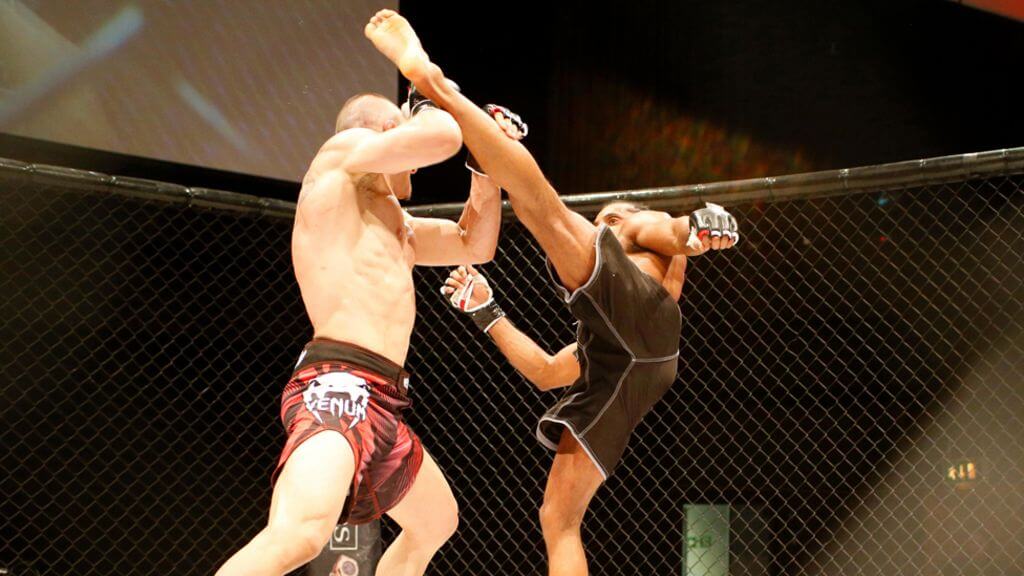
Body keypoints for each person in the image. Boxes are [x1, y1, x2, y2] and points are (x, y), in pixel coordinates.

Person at [365, 10, 739, 575]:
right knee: (558, 518)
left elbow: (674, 231)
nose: (597, 228)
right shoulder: (603, 335)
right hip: (633, 365)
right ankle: (476, 138)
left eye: (604, 224)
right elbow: (544, 372)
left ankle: (435, 86)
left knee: (540, 204)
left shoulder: (629, 221)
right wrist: (487, 312)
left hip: (644, 331)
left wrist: (698, 230)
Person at [215, 86, 524, 576]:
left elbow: (474, 244)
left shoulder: (396, 222)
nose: (415, 170)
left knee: (435, 522)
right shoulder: (341, 158)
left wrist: (484, 165)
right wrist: (427, 99)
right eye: (406, 140)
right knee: (300, 535)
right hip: (339, 385)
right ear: (387, 132)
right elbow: (441, 138)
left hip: (383, 398)